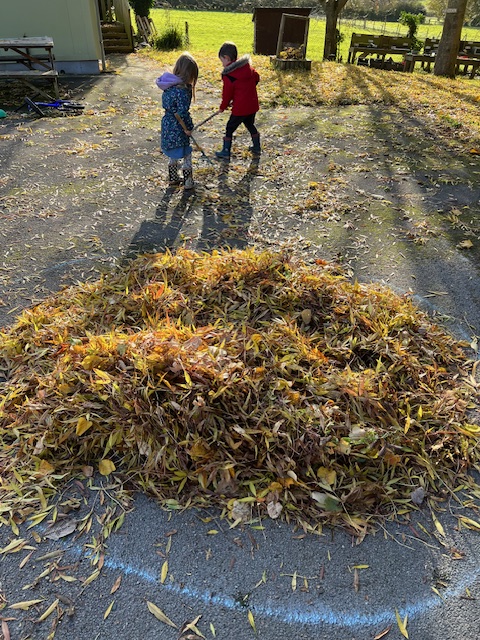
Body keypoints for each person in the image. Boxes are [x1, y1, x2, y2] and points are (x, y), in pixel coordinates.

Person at [156, 52, 199, 190]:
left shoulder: (169, 86)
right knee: (186, 153)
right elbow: (182, 113)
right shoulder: (183, 91)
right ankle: (188, 181)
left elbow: (171, 109)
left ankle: (173, 178)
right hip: (179, 127)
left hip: (167, 124)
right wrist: (188, 127)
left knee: (173, 151)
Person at [215, 41, 260, 160]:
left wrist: (223, 106)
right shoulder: (247, 67)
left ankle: (226, 151)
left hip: (240, 108)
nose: (222, 64)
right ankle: (257, 146)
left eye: (222, 61)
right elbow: (257, 78)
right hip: (252, 104)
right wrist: (246, 92)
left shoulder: (229, 75)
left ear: (227, 58)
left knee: (230, 128)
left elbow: (227, 94)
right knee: (250, 124)